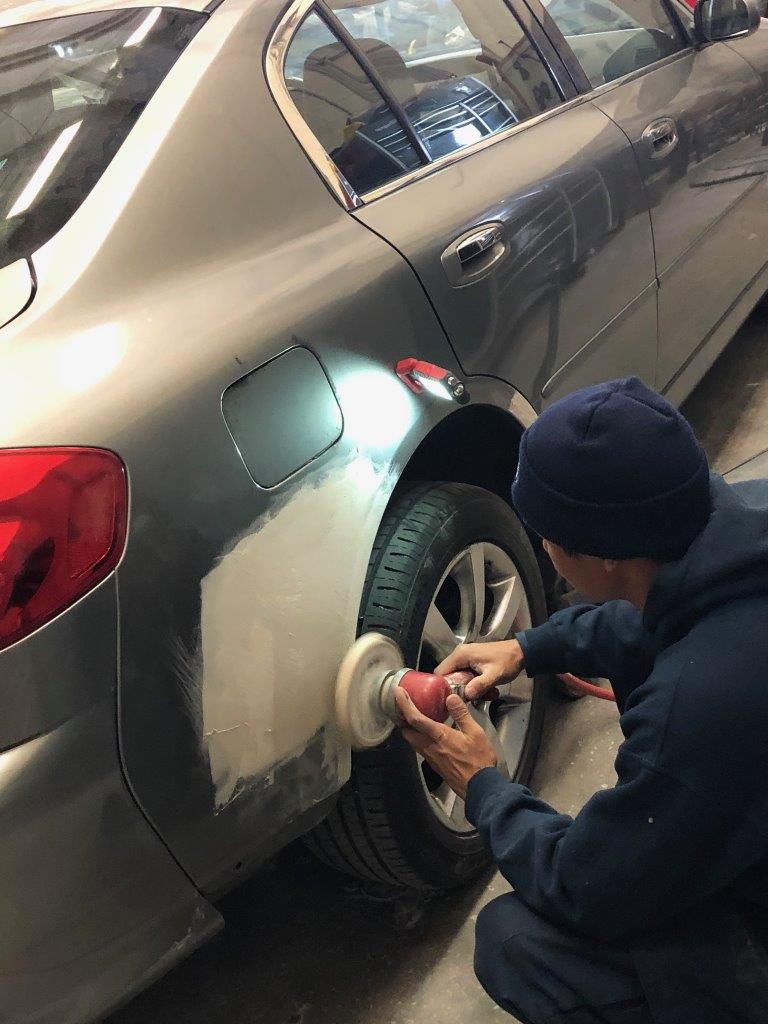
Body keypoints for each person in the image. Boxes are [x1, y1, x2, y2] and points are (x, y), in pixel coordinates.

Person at [395, 377, 768, 1024]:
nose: (541, 548)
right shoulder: (738, 519)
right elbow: (655, 614)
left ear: (599, 558)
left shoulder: (698, 708)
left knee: (516, 941)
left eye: (546, 539)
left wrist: (484, 785)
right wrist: (532, 648)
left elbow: (588, 886)